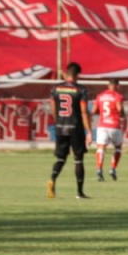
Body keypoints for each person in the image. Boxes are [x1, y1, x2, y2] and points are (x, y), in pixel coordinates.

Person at [47, 62, 92, 199]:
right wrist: (89, 131)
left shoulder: (56, 88)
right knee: (78, 160)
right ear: (78, 74)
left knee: (61, 158)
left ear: (67, 73)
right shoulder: (81, 90)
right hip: (75, 128)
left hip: (60, 127)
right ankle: (79, 192)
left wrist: (58, 121)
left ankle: (52, 179)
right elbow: (84, 112)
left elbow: (53, 109)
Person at [93, 79, 125, 182]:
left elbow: (93, 110)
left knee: (101, 147)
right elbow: (119, 109)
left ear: (108, 85)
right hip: (114, 125)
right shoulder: (117, 96)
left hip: (102, 125)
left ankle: (99, 169)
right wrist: (123, 114)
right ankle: (112, 168)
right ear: (117, 86)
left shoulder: (100, 96)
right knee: (118, 147)